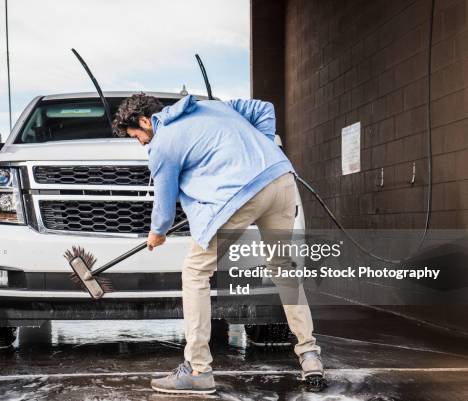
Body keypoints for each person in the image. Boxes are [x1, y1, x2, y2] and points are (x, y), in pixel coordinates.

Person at [112, 93, 323, 395]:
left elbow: (164, 204)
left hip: (243, 192)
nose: (141, 143)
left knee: (195, 271)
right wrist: (261, 152)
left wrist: (157, 232)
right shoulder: (210, 105)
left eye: (137, 137)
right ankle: (309, 355)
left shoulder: (162, 143)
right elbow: (265, 107)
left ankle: (197, 369)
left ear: (146, 121)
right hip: (280, 178)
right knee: (283, 268)